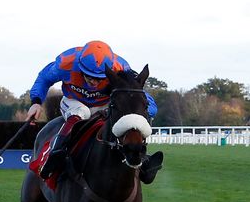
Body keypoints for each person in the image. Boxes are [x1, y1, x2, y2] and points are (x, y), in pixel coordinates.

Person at [25, 40, 163, 184]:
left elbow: (137, 93)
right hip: (74, 101)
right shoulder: (66, 62)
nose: (94, 83)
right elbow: (44, 78)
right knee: (82, 111)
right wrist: (36, 102)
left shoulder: (120, 67)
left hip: (104, 104)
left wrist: (144, 110)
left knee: (124, 117)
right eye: (89, 76)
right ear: (80, 67)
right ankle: (55, 154)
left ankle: (141, 159)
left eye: (99, 78)